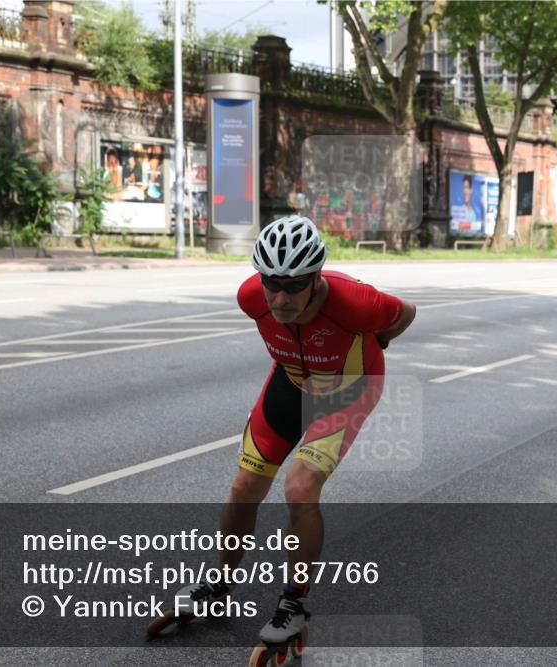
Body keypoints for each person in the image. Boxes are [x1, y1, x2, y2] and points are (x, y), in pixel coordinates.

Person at [176, 215, 416, 644]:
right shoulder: (250, 297)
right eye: (272, 282)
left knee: (300, 486)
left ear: (316, 278)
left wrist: (377, 342)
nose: (280, 297)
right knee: (243, 486)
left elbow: (406, 313)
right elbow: (270, 304)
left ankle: (294, 603)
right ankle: (219, 586)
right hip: (290, 381)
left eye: (293, 286)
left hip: (348, 387)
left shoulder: (355, 303)